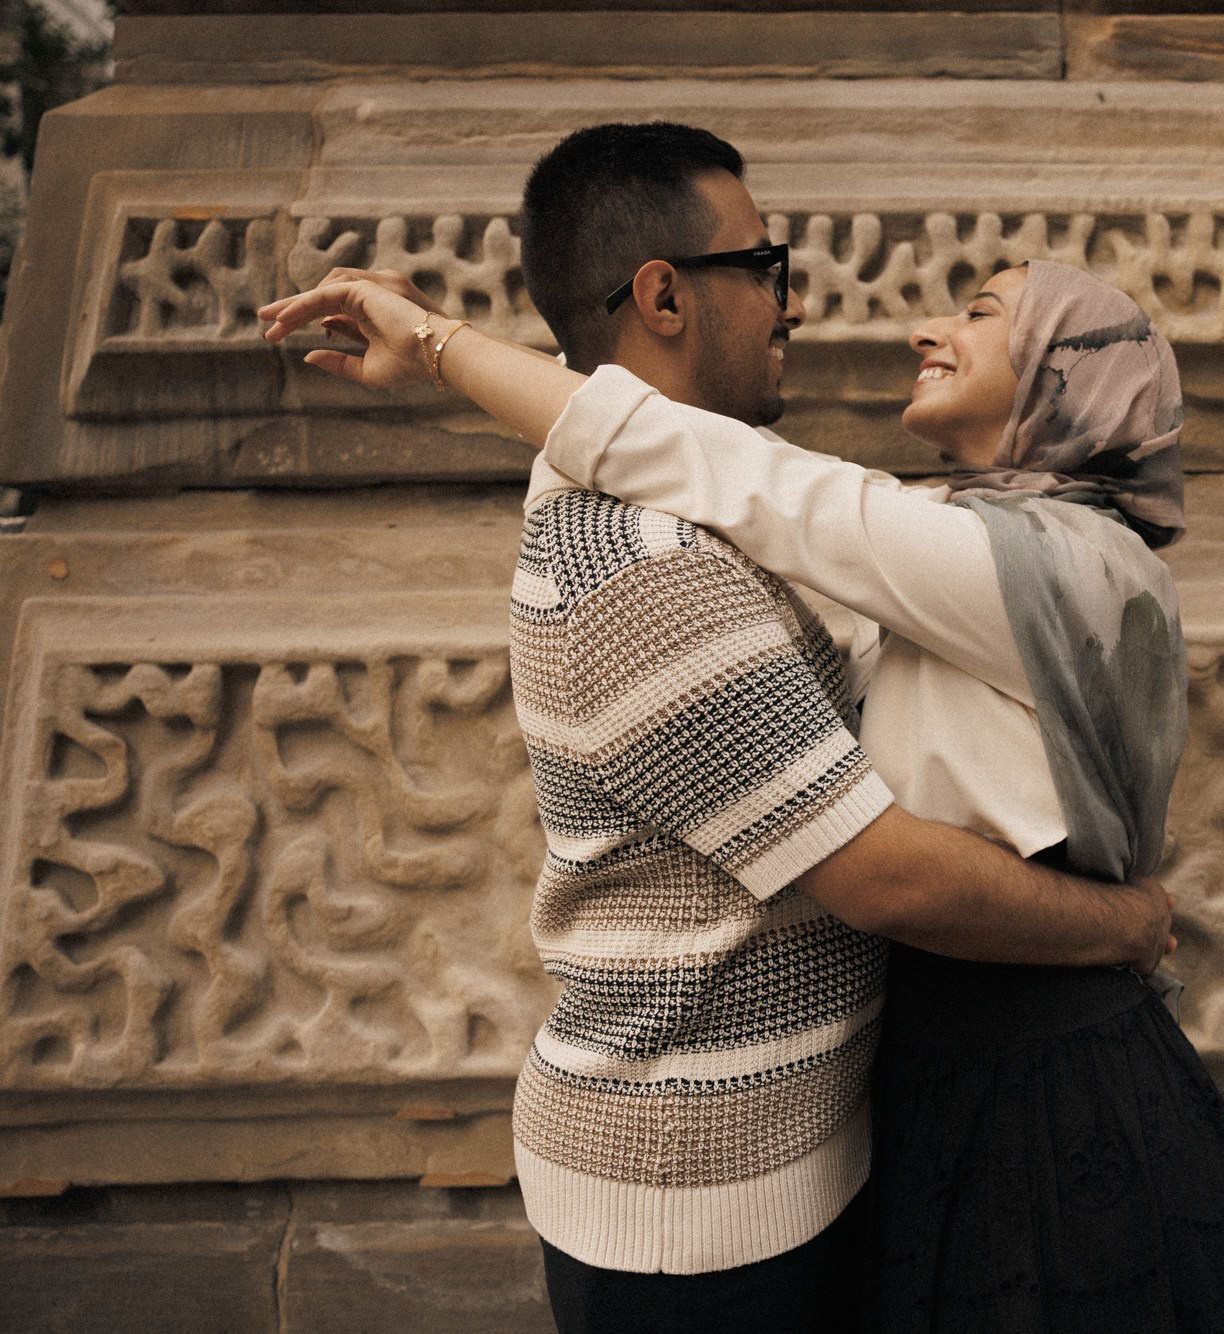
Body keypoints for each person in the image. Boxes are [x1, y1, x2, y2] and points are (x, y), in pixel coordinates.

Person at [261, 122, 1175, 1334]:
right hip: (696, 1213)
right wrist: (1134, 921)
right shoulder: (642, 561)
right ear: (663, 295)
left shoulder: (994, 550)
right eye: (768, 266)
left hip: (805, 1151)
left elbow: (737, 477)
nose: (794, 306)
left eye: (981, 314)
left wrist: (450, 353)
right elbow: (881, 874)